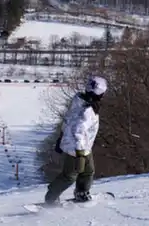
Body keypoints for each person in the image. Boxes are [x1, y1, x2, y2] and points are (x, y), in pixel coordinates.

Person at [44, 76, 108, 206]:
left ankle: (82, 193)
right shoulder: (87, 110)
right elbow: (78, 131)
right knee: (69, 176)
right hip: (77, 148)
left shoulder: (79, 101)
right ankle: (51, 197)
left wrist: (61, 138)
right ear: (100, 93)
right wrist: (79, 153)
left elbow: (67, 121)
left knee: (88, 171)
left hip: (82, 146)